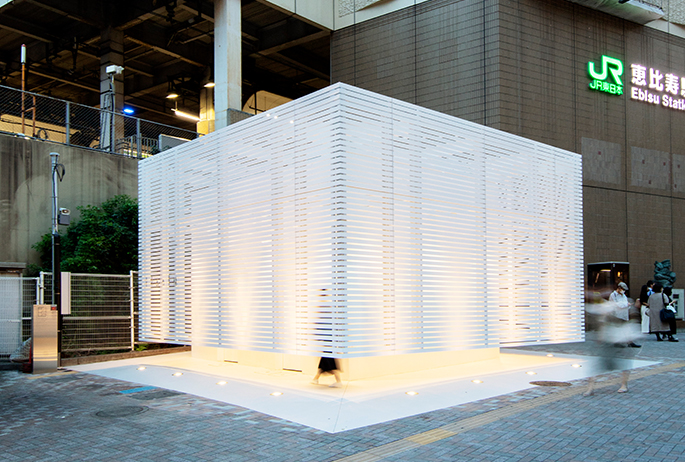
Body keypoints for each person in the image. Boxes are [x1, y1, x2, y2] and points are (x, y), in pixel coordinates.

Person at [609, 282, 640, 347]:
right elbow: (616, 304)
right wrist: (626, 304)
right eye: (623, 289)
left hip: (624, 314)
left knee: (625, 328)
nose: (624, 291)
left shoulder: (623, 295)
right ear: (619, 288)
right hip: (617, 315)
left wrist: (627, 305)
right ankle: (620, 342)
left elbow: (624, 303)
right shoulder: (613, 295)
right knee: (619, 329)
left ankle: (629, 342)